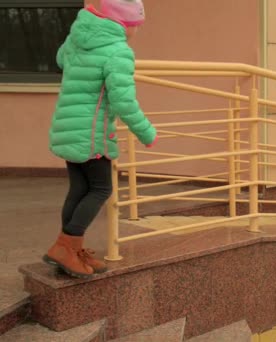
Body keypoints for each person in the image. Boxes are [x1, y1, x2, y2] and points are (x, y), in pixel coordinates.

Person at [44, 0, 156, 279]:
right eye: (135, 26)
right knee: (101, 189)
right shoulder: (118, 52)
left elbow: (60, 59)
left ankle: (70, 248)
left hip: (69, 129)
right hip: (91, 134)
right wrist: (146, 131)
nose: (136, 32)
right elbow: (123, 100)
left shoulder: (77, 39)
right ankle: (65, 246)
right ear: (122, 24)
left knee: (79, 188)